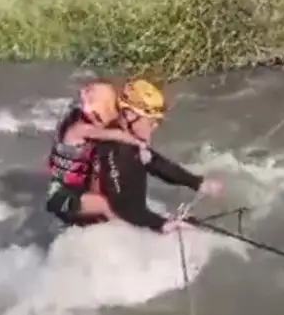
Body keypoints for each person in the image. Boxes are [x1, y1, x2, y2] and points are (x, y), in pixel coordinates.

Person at [91, 78, 223, 233]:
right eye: (152, 121)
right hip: (107, 232)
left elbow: (154, 162)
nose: (154, 127)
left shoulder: (125, 139)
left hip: (126, 221)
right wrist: (162, 224)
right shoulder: (118, 152)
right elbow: (125, 210)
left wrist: (196, 183)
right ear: (129, 115)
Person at [45, 80, 151, 226]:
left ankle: (131, 220)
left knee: (108, 192)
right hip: (61, 197)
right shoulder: (80, 129)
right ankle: (127, 230)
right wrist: (138, 142)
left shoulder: (83, 123)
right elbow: (112, 135)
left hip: (76, 193)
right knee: (102, 204)